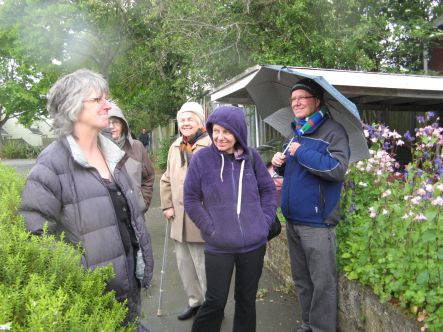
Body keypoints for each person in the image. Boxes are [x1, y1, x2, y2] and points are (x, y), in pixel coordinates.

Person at [19, 69, 154, 331]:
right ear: (73, 108)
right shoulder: (51, 165)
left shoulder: (112, 155)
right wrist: (84, 272)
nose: (108, 105)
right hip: (95, 298)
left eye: (107, 98)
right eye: (98, 100)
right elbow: (34, 236)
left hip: (129, 288)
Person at [184, 105, 277, 332]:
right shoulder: (202, 159)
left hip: (253, 246)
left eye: (226, 131)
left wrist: (263, 223)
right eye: (216, 131)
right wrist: (209, 228)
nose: (220, 137)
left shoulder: (252, 157)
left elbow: (268, 191)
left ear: (238, 133)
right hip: (219, 246)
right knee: (215, 303)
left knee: (246, 302)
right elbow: (191, 198)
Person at [271, 78, 350, 332]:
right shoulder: (297, 131)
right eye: (293, 99)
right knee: (302, 280)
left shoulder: (333, 132)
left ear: (317, 101)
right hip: (293, 219)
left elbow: (336, 169)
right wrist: (280, 162)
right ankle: (307, 323)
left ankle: (322, 329)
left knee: (322, 283)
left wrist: (300, 151)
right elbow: (294, 168)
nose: (296, 103)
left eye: (301, 98)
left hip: (318, 222)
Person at [159, 101, 211, 320]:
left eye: (190, 118)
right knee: (184, 265)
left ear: (200, 121)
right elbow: (166, 178)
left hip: (200, 219)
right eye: (182, 119)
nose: (185, 123)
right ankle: (195, 302)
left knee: (204, 267)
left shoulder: (210, 145)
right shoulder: (176, 146)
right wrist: (167, 205)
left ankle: (211, 307)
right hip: (178, 219)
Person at [105, 103, 155, 216]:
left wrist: (142, 203)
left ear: (123, 125)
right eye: (108, 123)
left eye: (116, 122)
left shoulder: (137, 147)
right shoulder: (97, 150)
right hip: (109, 219)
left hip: (136, 215)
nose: (111, 126)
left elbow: (149, 176)